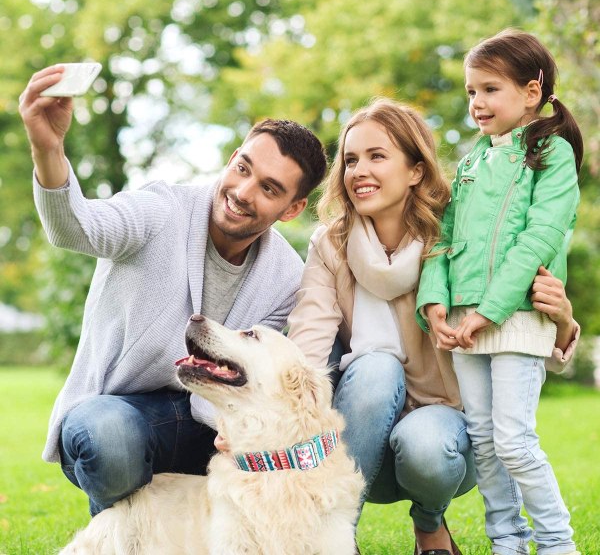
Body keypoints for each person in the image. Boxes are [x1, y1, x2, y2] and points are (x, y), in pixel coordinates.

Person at [18, 64, 327, 516]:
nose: (242, 191)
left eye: (268, 188)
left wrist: (236, 426)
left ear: (293, 208)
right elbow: (77, 228)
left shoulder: (285, 279)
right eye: (243, 168)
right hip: (121, 412)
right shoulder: (160, 209)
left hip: (211, 428)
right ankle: (118, 530)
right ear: (231, 158)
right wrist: (48, 150)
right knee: (108, 435)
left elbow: (261, 380)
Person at [285, 97, 580, 555]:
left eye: (377, 156)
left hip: (444, 445)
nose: (359, 170)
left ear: (416, 170)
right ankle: (333, 538)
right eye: (350, 160)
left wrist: (562, 320)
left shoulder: (458, 235)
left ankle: (429, 523)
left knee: (426, 443)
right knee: (377, 368)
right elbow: (308, 338)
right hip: (356, 442)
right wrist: (282, 418)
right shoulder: (331, 244)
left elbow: (520, 332)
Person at [417, 29, 582, 555]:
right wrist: (434, 302)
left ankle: (557, 544)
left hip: (516, 316)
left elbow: (539, 237)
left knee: (513, 439)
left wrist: (490, 310)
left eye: (489, 89)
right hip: (465, 320)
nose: (477, 103)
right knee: (485, 444)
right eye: (470, 92)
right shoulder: (471, 163)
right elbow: (441, 239)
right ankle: (506, 543)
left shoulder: (552, 155)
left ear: (532, 92)